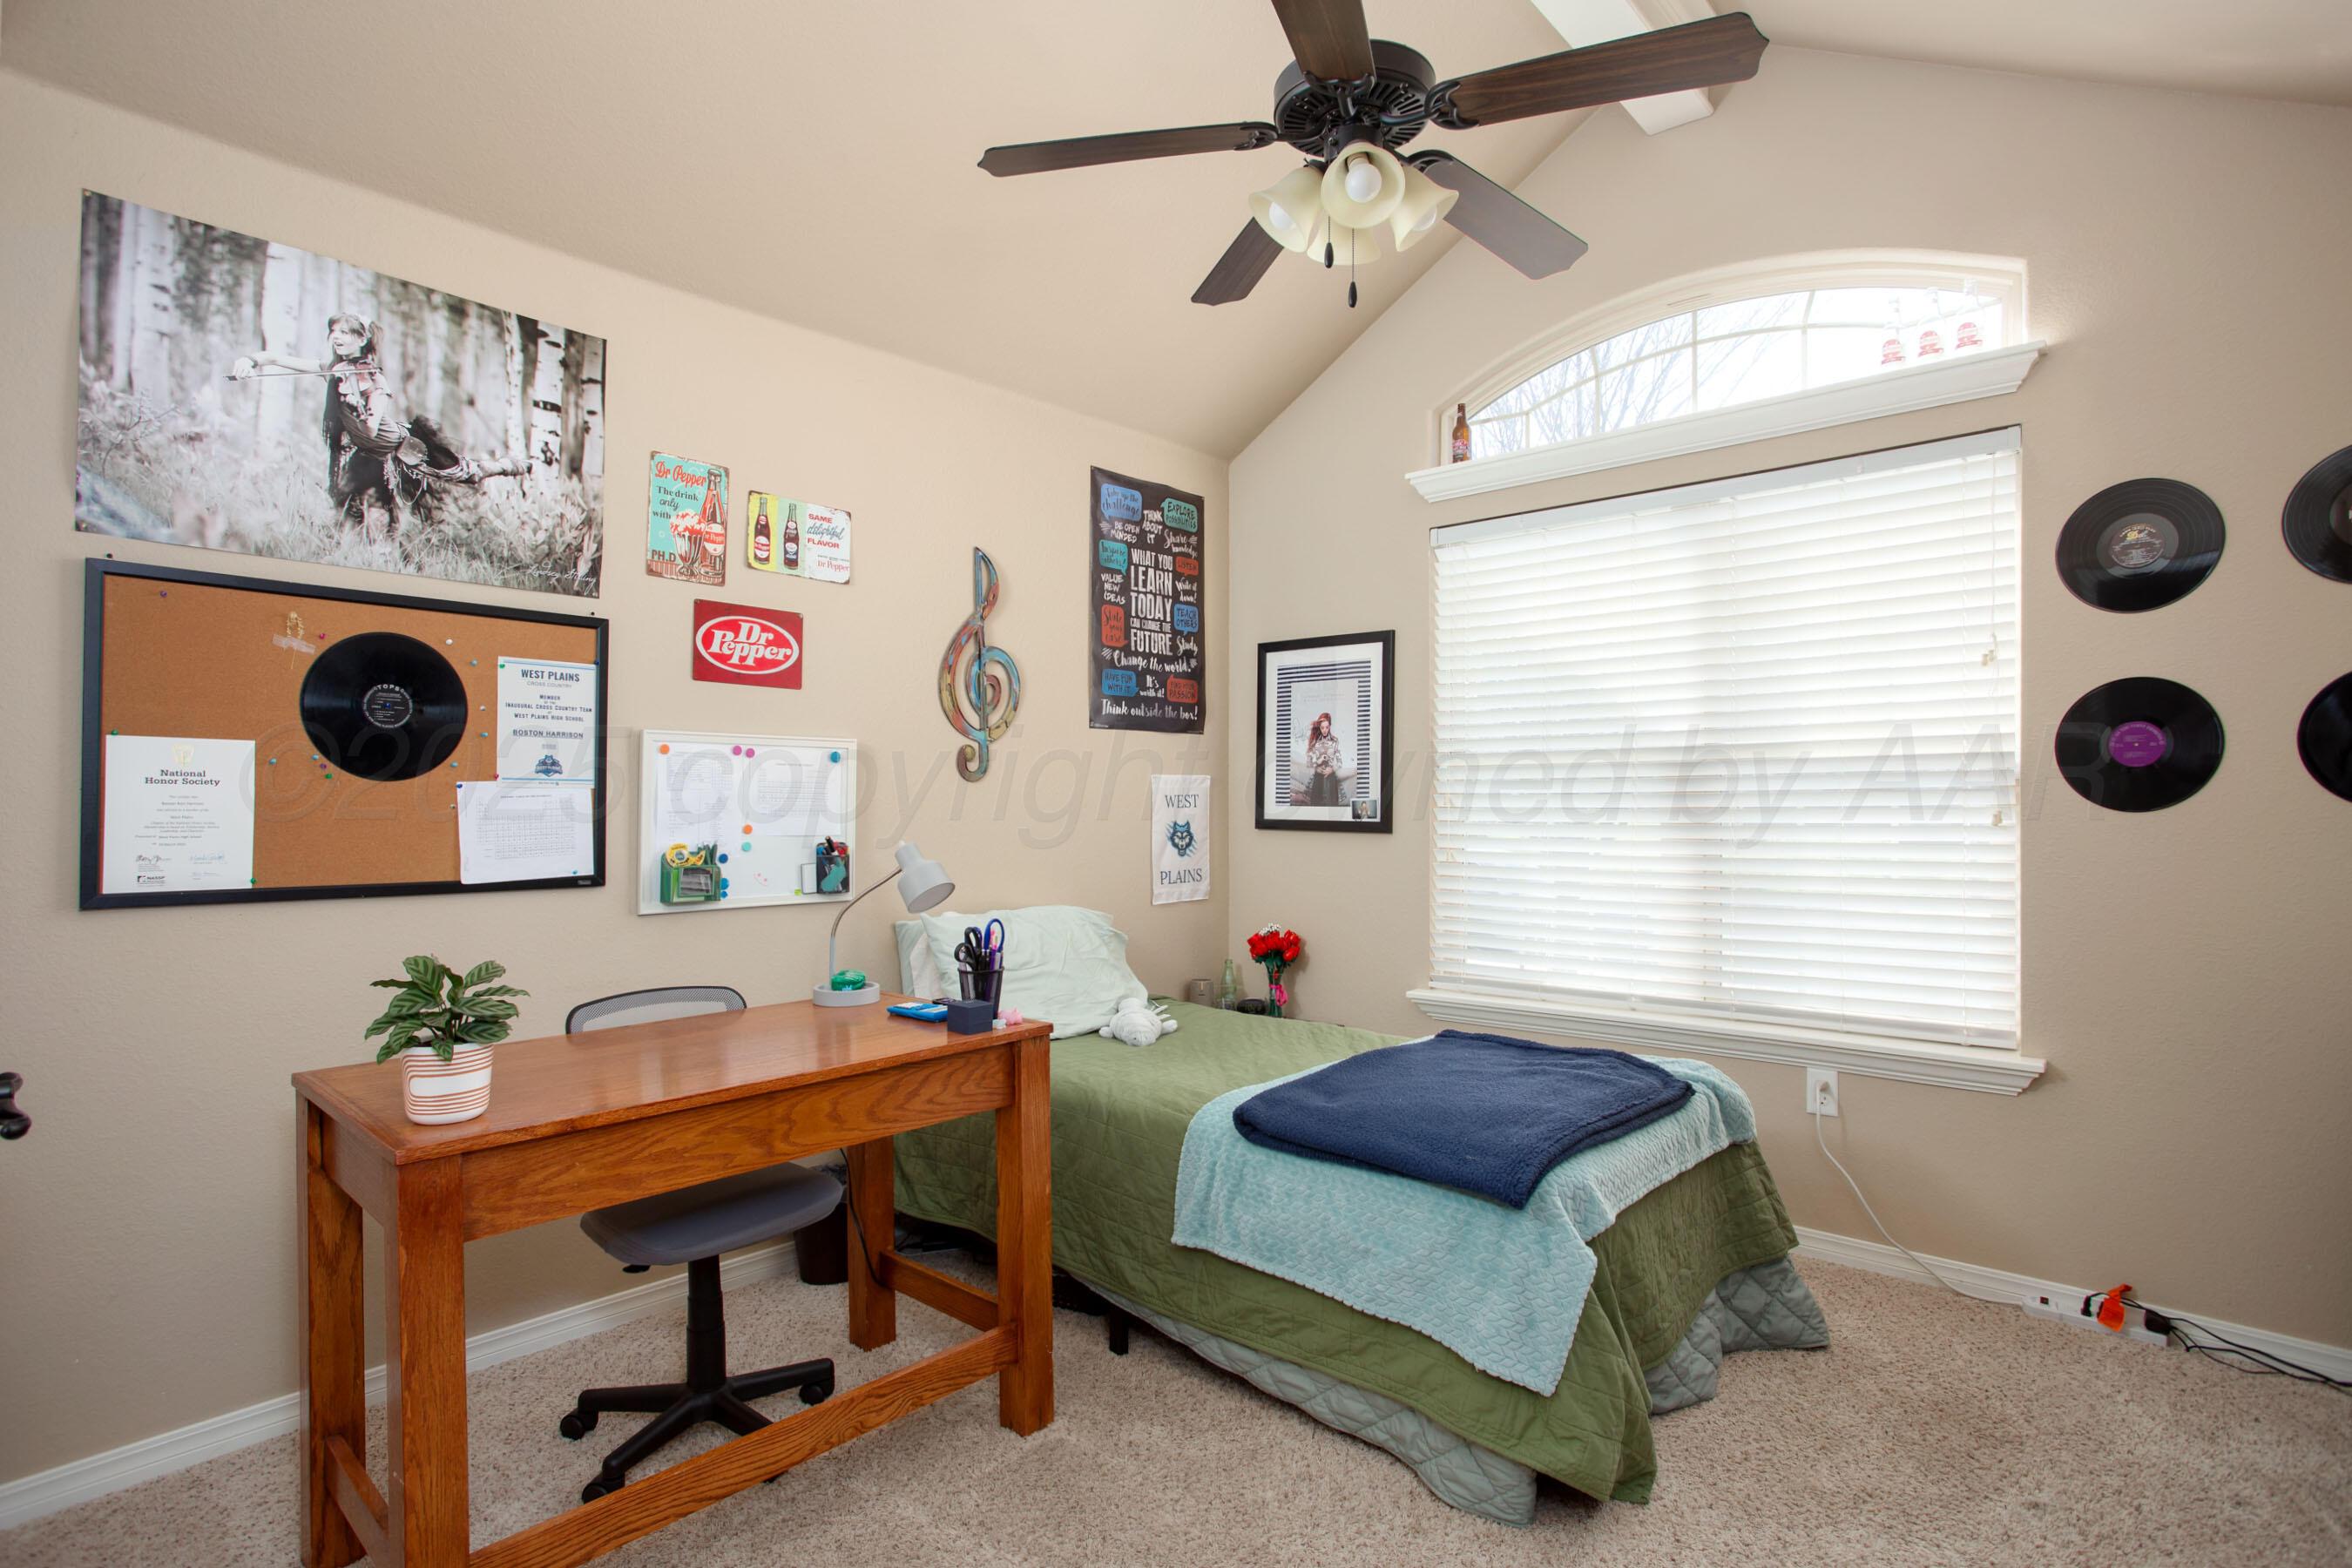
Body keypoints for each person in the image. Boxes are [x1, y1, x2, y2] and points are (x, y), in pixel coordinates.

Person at [232, 314, 524, 543]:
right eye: (333, 331)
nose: (336, 337)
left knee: (464, 473)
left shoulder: (374, 381)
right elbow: (275, 359)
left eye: (345, 332)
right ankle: (367, 555)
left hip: (402, 448)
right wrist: (249, 362)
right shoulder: (333, 370)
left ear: (362, 339)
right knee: (351, 504)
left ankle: (505, 465)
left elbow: (371, 429)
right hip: (368, 455)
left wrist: (357, 404)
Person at [1300, 712, 1342, 808]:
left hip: (1331, 776)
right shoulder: (1315, 742)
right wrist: (1316, 767)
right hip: (1318, 776)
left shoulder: (1335, 741)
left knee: (1333, 805)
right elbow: (1309, 762)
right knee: (1316, 805)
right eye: (1322, 727)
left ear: (1330, 726)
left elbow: (1340, 762)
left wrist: (1332, 769)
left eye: (1327, 727)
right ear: (1319, 727)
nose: (1324, 730)